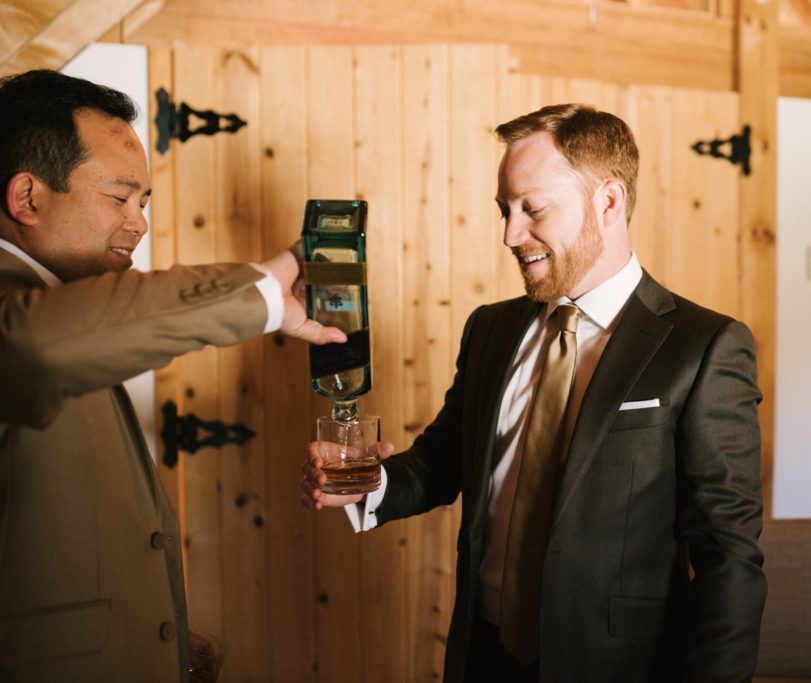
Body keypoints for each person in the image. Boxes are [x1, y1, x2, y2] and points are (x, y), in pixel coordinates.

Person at [302, 103, 766, 682]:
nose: (509, 235)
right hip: (484, 656)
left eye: (533, 209)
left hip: (622, 667)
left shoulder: (705, 346)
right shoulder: (490, 329)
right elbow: (446, 460)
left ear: (609, 201)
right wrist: (371, 482)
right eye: (505, 209)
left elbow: (729, 555)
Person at [0, 70, 343, 681]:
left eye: (145, 203)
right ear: (27, 197)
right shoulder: (34, 320)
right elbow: (36, 348)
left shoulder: (70, 304)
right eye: (119, 197)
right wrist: (267, 282)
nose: (140, 223)